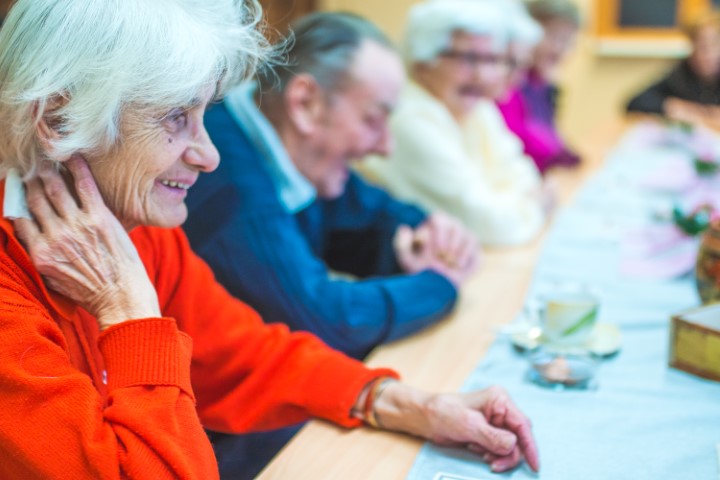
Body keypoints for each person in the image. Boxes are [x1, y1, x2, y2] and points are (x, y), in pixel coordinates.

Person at [0, 1, 539, 480]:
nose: (209, 156)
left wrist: (408, 403)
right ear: (57, 117)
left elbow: (248, 358)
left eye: (203, 115)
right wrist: (129, 311)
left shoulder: (131, 229)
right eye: (174, 117)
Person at [184, 12, 479, 361]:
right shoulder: (225, 183)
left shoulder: (299, 152)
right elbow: (322, 321)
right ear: (305, 103)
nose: (386, 146)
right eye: (372, 119)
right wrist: (440, 283)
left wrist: (426, 234)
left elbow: (369, 216)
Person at [357, 0, 554, 246]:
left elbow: (523, 173)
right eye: (468, 58)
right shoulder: (409, 120)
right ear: (423, 62)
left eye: (492, 59)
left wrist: (515, 205)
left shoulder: (475, 108)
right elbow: (489, 225)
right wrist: (534, 206)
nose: (483, 75)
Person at [497, 0, 581, 174]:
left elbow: (555, 139)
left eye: (566, 41)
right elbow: (530, 146)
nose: (558, 49)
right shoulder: (510, 83)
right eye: (551, 36)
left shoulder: (544, 85)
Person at [626, 11, 720, 128]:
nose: (706, 54)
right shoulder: (681, 72)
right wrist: (672, 106)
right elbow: (635, 102)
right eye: (700, 46)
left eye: (713, 45)